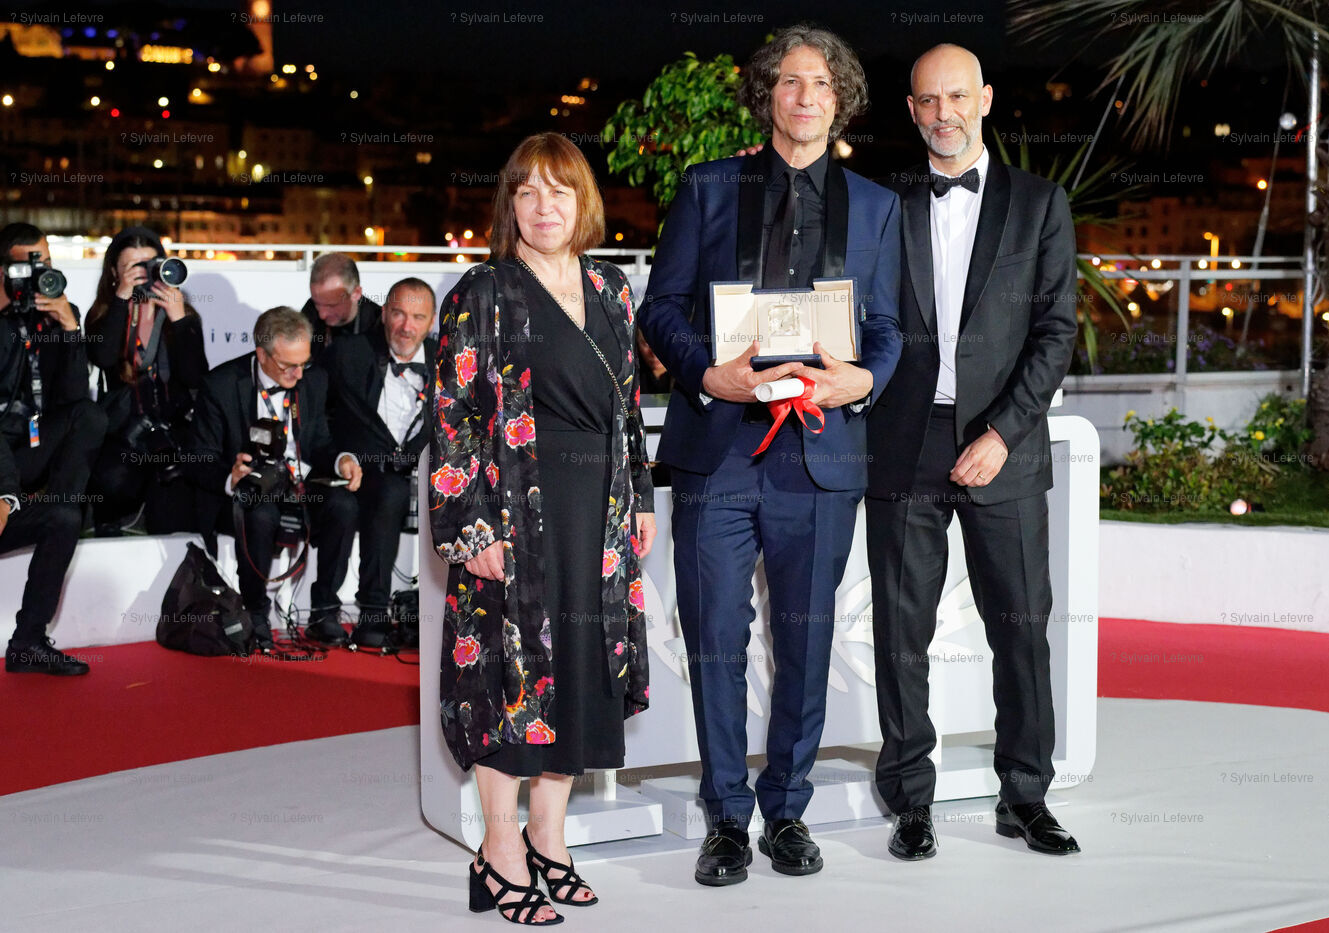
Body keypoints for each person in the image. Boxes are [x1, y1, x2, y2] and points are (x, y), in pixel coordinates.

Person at [638, 25, 902, 886]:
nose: (805, 96)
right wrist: (705, 372)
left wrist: (862, 378)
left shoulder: (876, 205)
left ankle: (786, 811)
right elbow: (661, 306)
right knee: (714, 640)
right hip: (719, 450)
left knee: (806, 642)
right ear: (767, 95)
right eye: (789, 81)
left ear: (841, 99)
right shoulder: (708, 187)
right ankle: (725, 817)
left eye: (821, 83)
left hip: (821, 458)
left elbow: (888, 327)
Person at [430, 132, 655, 925]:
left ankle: (547, 839)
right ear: (510, 206)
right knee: (508, 679)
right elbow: (451, 417)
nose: (543, 206)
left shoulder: (612, 287)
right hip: (512, 513)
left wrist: (642, 496)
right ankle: (498, 849)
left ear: (582, 200)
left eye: (558, 190)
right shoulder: (482, 291)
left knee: (580, 675)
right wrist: (469, 528)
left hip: (599, 510)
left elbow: (629, 405)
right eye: (526, 192)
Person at [867, 44, 1080, 860]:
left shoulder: (1040, 204)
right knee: (901, 634)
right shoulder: (883, 203)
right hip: (904, 440)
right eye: (928, 101)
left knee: (1021, 629)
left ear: (985, 99)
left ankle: (1025, 795)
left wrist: (1003, 432)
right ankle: (910, 801)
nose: (943, 114)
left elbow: (1056, 332)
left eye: (957, 97)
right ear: (911, 109)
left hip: (1005, 442)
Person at [186, 307, 362, 651]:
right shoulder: (222, 385)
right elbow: (197, 458)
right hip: (251, 491)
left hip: (300, 484)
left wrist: (342, 460)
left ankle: (324, 612)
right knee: (259, 513)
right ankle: (255, 613)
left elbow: (319, 442)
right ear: (262, 354)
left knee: (344, 505)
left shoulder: (313, 379)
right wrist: (231, 476)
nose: (298, 373)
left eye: (303, 363)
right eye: (288, 366)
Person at [0, 222, 105, 674]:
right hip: (2, 469)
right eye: (29, 263)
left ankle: (28, 642)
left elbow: (73, 397)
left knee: (89, 417)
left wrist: (69, 328)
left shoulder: (57, 313)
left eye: (45, 260)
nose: (40, 270)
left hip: (27, 452)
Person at [324, 277, 437, 649]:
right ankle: (334, 612)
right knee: (358, 500)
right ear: (384, 313)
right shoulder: (349, 354)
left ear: (431, 321)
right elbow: (316, 412)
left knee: (393, 492)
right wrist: (340, 456)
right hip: (357, 469)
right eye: (399, 314)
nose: (407, 326)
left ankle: (380, 614)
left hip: (420, 474)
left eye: (418, 317)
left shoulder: (447, 361)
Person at [85, 226, 208, 534]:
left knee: (177, 485)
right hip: (124, 428)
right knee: (113, 479)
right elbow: (103, 358)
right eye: (132, 267)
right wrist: (121, 300)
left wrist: (180, 321)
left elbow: (195, 377)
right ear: (114, 272)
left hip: (173, 426)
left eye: (149, 264)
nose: (143, 274)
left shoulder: (182, 312)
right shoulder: (104, 313)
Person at [300, 252, 382, 362]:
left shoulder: (379, 326)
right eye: (317, 304)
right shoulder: (308, 316)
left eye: (331, 305)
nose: (322, 314)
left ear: (356, 293)